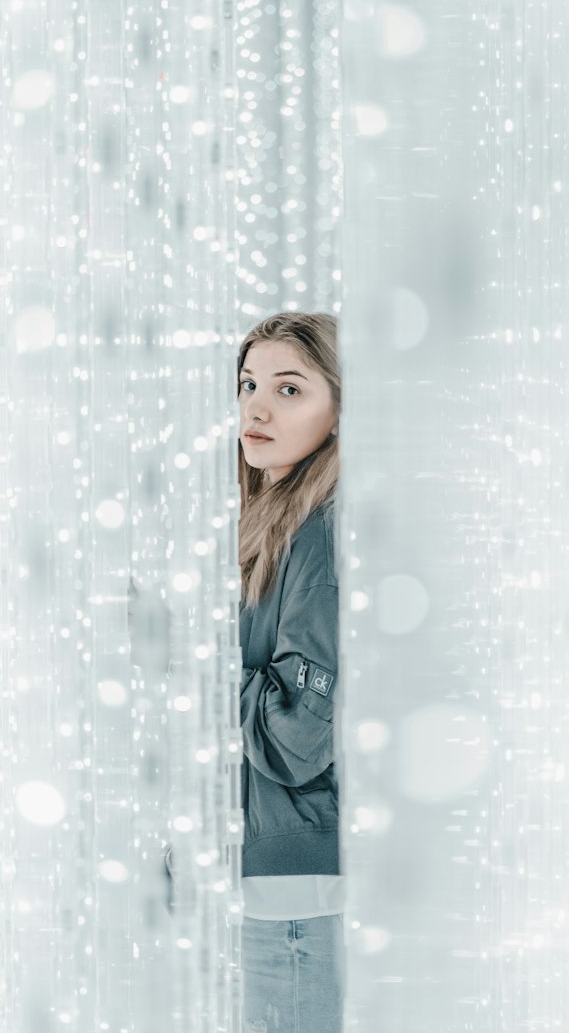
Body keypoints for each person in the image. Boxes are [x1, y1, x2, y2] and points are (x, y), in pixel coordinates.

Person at [235, 311, 345, 1033]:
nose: (257, 407)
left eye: (289, 388)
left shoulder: (322, 538)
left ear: (340, 409)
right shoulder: (275, 522)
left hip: (298, 890)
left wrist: (189, 669)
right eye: (247, 384)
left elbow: (298, 738)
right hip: (272, 877)